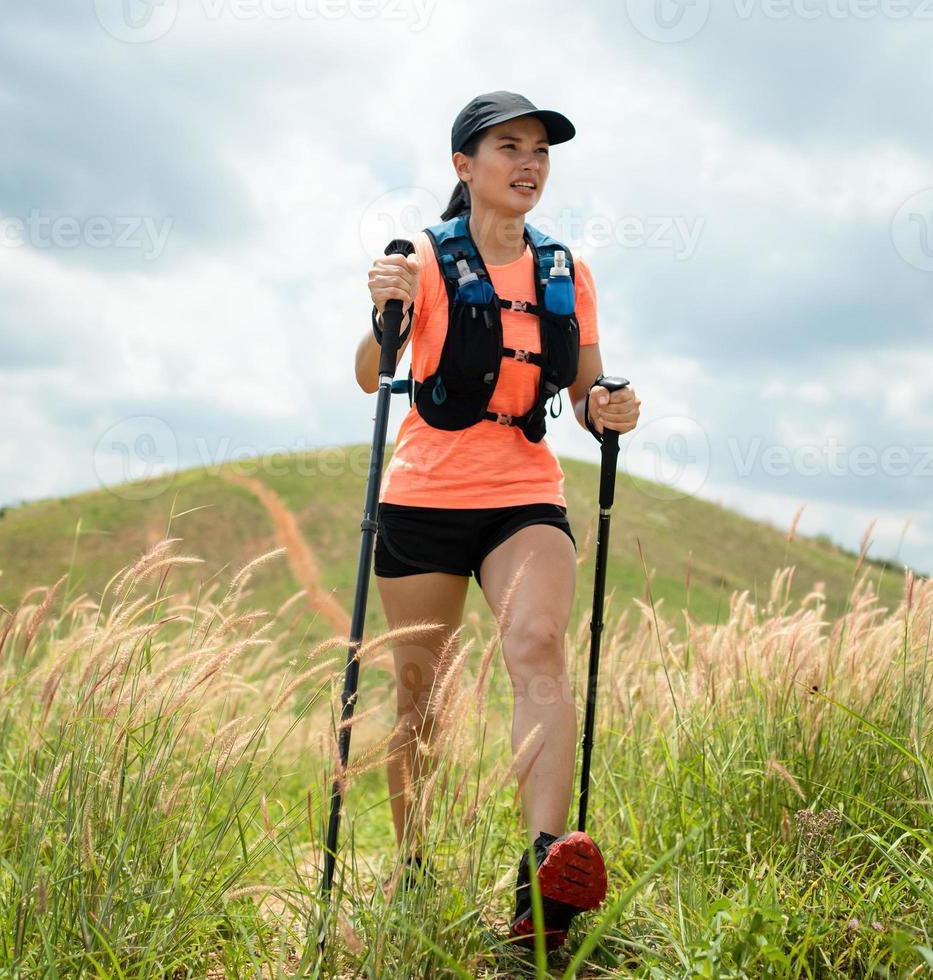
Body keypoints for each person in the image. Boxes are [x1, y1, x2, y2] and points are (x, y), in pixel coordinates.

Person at [354, 91, 642, 950]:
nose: (529, 164)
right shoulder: (423, 259)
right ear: (464, 166)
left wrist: (609, 409)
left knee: (538, 647)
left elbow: (585, 392)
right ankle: (412, 866)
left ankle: (544, 881)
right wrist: (383, 310)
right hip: (425, 496)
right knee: (420, 698)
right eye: (508, 147)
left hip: (525, 491)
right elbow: (373, 376)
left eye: (541, 152)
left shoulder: (568, 272)